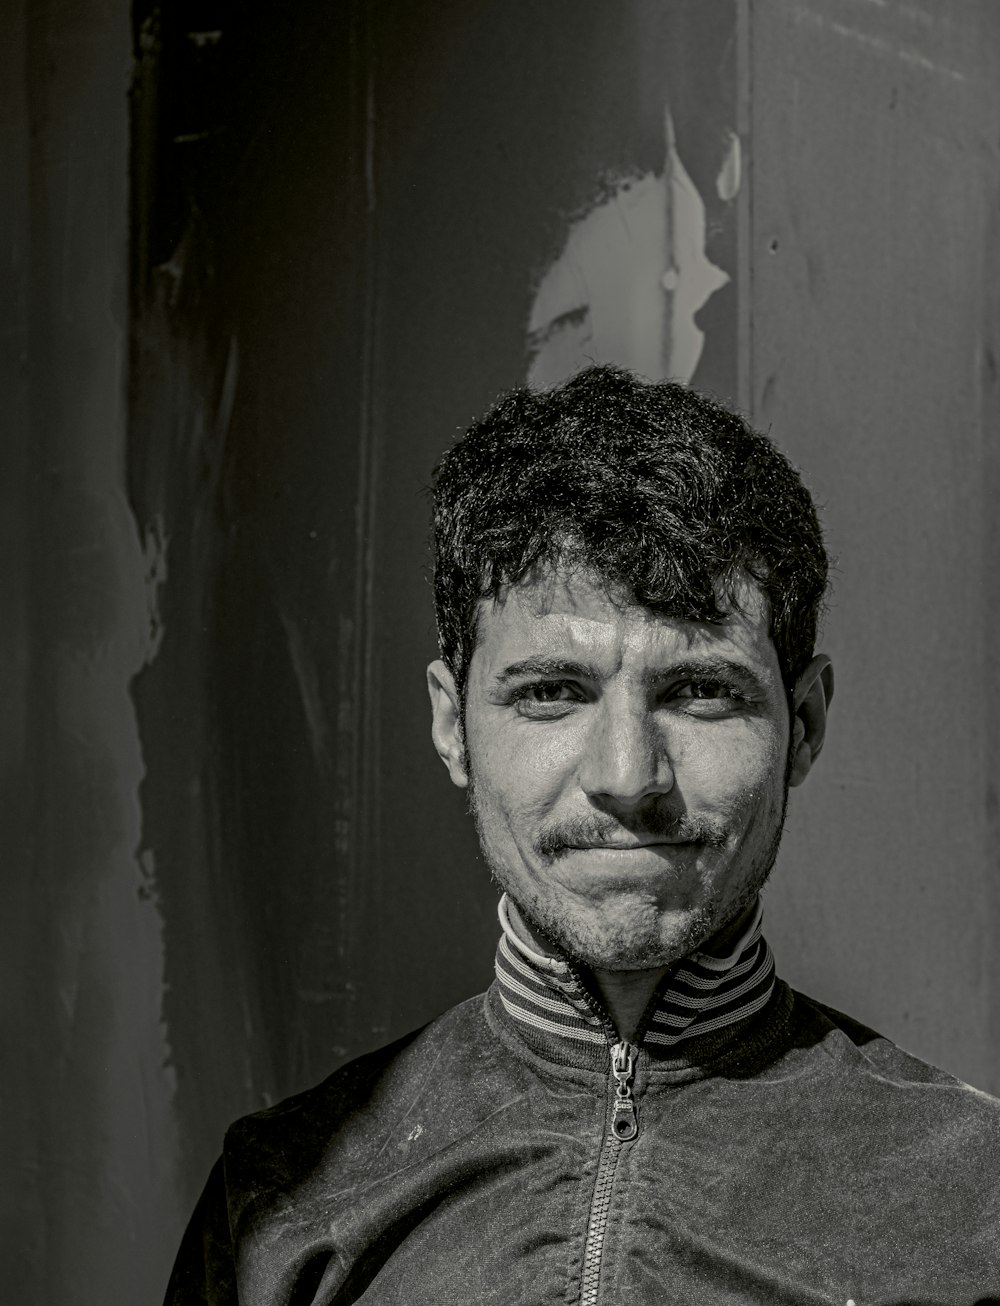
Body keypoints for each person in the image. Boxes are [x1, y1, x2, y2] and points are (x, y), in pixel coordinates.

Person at [165, 366, 1000, 1305]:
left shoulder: (972, 1200)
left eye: (700, 691)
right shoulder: (281, 1207)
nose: (626, 775)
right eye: (552, 692)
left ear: (803, 725)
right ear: (452, 725)